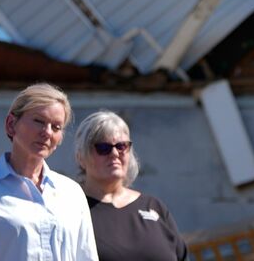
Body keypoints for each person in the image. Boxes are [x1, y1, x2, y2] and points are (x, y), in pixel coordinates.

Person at [0, 83, 98, 260]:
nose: (47, 133)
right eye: (39, 121)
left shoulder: (72, 193)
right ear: (11, 124)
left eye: (56, 127)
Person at [74, 110, 188, 261]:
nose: (114, 153)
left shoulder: (154, 206)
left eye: (121, 146)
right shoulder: (72, 210)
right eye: (103, 148)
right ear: (81, 157)